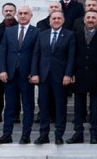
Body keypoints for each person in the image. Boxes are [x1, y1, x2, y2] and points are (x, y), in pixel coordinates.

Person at [30, 10, 75, 145]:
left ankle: (59, 135)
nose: (56, 20)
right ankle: (43, 134)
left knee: (60, 107)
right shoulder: (42, 34)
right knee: (43, 107)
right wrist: (35, 73)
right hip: (44, 77)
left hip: (61, 77)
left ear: (63, 20)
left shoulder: (69, 35)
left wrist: (68, 74)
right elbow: (36, 55)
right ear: (49, 20)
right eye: (53, 18)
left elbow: (71, 57)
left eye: (58, 18)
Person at [0, 5, 38, 145]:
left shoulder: (36, 32)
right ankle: (6, 134)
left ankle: (26, 135)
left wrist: (34, 72)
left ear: (31, 16)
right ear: (17, 15)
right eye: (20, 13)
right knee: (9, 106)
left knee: (28, 106)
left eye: (26, 13)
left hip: (27, 76)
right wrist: (2, 70)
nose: (22, 15)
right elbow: (2, 51)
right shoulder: (9, 31)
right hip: (10, 76)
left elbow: (37, 54)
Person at [69, 7, 97, 144]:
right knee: (79, 106)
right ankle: (78, 133)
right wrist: (71, 73)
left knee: (95, 107)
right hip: (79, 74)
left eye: (93, 18)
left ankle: (94, 134)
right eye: (88, 18)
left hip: (96, 75)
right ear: (84, 20)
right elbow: (72, 55)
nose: (90, 20)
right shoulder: (76, 34)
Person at [0, 3, 17, 124]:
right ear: (2, 12)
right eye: (6, 10)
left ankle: (16, 115)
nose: (8, 12)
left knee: (15, 92)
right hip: (1, 65)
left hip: (15, 65)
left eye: (11, 11)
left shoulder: (19, 26)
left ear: (15, 12)